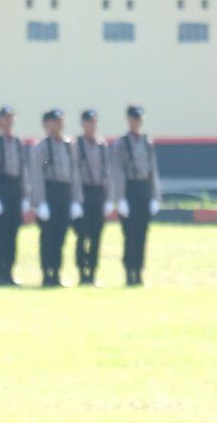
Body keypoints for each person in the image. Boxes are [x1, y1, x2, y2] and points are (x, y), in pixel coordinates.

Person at [30, 109, 82, 288]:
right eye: (55, 121)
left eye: (60, 121)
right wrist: (40, 202)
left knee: (61, 235)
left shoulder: (69, 145)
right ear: (47, 124)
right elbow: (38, 175)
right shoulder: (42, 147)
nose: (59, 125)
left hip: (64, 192)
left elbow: (74, 173)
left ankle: (57, 271)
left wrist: (76, 199)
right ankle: (47, 272)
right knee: (48, 236)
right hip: (49, 192)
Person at [112, 105, 160, 286]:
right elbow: (118, 171)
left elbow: (152, 170)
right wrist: (121, 198)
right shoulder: (122, 144)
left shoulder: (147, 142)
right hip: (130, 190)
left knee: (142, 234)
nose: (136, 122)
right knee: (129, 234)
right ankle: (129, 271)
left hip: (144, 189)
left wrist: (155, 196)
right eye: (133, 119)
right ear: (128, 120)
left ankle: (139, 271)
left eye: (139, 119)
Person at [0, 105, 29, 286]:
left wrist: (26, 195)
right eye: (6, 118)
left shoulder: (18, 143)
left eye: (11, 118)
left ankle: (9, 270)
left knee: (12, 232)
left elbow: (23, 170)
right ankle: (0, 271)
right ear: (0, 121)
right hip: (1, 189)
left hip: (15, 191)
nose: (9, 121)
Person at [72, 109, 114, 286]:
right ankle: (82, 271)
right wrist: (75, 199)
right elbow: (73, 172)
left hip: (98, 192)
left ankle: (93, 271)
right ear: (82, 124)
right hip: (83, 193)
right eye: (88, 122)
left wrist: (109, 198)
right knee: (82, 235)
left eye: (94, 122)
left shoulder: (102, 145)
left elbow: (108, 172)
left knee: (96, 235)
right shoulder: (75, 145)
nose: (92, 125)